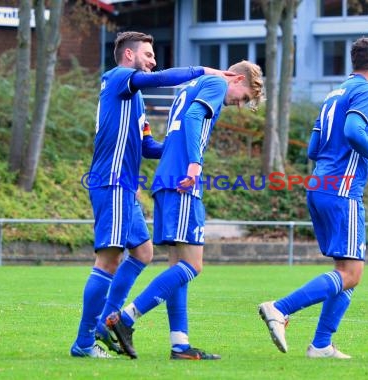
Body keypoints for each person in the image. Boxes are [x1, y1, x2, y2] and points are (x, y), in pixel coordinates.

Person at [70, 31, 231, 358]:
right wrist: (204, 71)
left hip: (125, 188)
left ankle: (106, 323)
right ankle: (85, 343)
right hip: (111, 182)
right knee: (109, 260)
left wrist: (181, 148)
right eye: (148, 54)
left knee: (143, 253)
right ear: (129, 56)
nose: (153, 61)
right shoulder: (118, 78)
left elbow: (147, 146)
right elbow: (161, 78)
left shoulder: (135, 99)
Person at [105, 60, 264, 360]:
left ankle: (180, 345)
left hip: (167, 180)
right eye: (244, 97)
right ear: (237, 78)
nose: (239, 104)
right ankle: (125, 318)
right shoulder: (217, 83)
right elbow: (193, 118)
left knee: (178, 269)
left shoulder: (190, 88)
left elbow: (176, 131)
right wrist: (195, 163)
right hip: (182, 182)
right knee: (192, 266)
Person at [258, 36, 368, 359]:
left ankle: (321, 345)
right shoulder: (366, 91)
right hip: (342, 189)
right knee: (351, 273)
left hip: (320, 183)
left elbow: (314, 148)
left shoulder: (334, 94)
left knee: (345, 273)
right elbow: (354, 131)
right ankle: (280, 308)